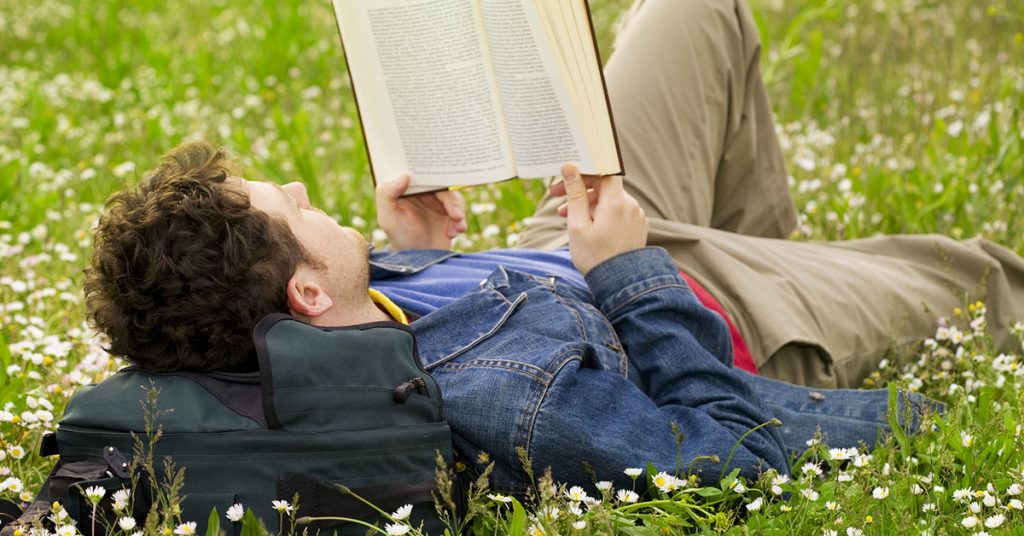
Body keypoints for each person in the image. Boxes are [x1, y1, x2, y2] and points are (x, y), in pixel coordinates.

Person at [83, 0, 1022, 492]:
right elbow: (730, 451)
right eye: (288, 208)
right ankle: (804, 282)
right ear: (307, 301)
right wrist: (631, 271)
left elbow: (466, 317)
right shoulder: (509, 405)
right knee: (987, 272)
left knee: (696, 9)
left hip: (563, 244)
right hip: (701, 310)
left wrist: (430, 252)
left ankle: (797, 256)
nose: (300, 188)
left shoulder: (348, 316)